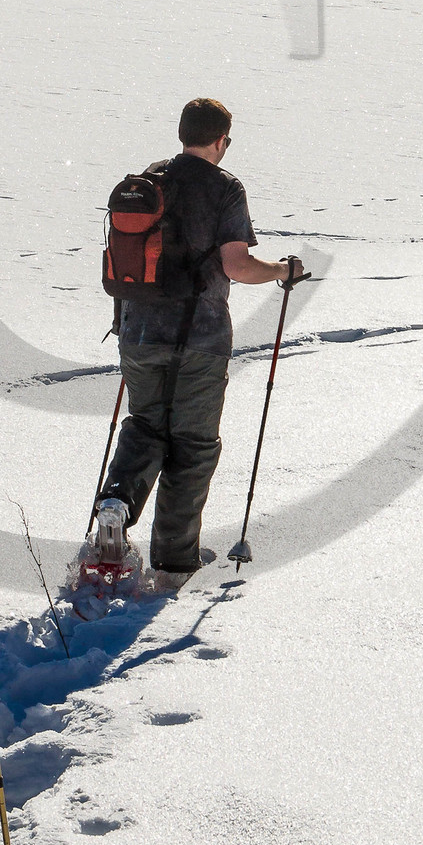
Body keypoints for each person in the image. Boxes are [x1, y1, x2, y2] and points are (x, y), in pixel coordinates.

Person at [96, 98, 302, 585]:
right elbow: (237, 266)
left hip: (138, 333)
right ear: (221, 141)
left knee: (146, 427)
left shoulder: (149, 180)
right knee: (192, 446)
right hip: (200, 339)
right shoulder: (225, 187)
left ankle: (117, 503)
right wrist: (283, 271)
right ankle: (173, 562)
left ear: (182, 133)